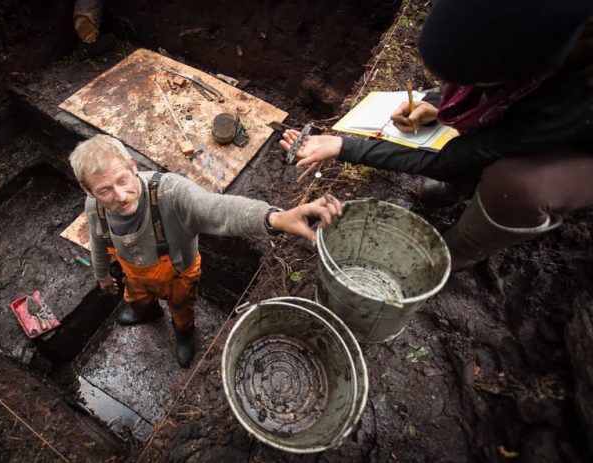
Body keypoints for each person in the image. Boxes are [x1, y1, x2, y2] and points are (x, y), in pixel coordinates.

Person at [281, 0, 593, 271]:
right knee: (474, 127)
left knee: (514, 185)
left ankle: (454, 255)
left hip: (581, 144)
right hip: (534, 109)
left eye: (470, 80)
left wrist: (343, 146)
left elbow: (457, 157)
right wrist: (434, 103)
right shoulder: (531, 34)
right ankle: (463, 187)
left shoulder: (569, 97)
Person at [69, 134, 342, 367]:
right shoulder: (94, 208)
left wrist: (275, 218)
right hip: (135, 275)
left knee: (181, 308)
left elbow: (216, 209)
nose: (120, 195)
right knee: (137, 297)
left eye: (123, 180)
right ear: (88, 190)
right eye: (105, 190)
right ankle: (146, 312)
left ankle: (185, 335)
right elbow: (98, 242)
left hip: (178, 274)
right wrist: (102, 275)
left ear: (132, 165)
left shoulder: (170, 194)